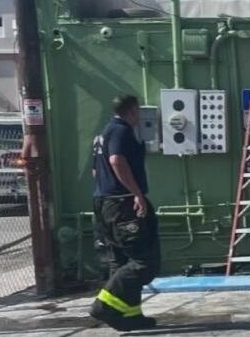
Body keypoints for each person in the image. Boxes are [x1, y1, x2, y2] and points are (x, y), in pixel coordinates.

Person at [89, 94, 160, 331]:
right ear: (132, 110)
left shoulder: (102, 134)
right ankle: (104, 305)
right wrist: (136, 194)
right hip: (122, 204)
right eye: (138, 110)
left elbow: (95, 172)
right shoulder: (120, 131)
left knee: (120, 260)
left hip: (105, 203)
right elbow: (116, 160)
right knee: (143, 262)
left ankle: (129, 315)